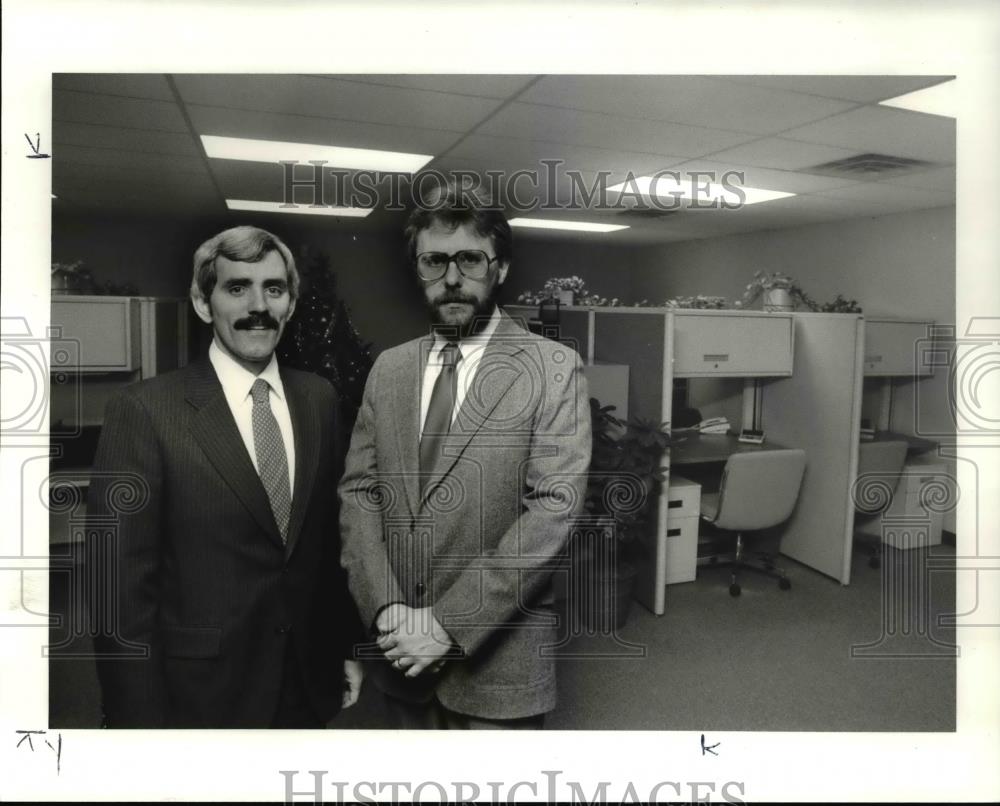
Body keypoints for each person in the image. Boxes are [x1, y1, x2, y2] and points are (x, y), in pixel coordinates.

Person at [87, 225, 363, 728]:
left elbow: (325, 545)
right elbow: (117, 589)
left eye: (273, 289)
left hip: (306, 679)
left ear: (291, 303)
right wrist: (135, 718)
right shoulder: (145, 411)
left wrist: (343, 647)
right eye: (237, 288)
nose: (258, 305)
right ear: (202, 302)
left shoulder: (318, 398)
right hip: (198, 696)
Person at [338, 183, 591, 729]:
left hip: (498, 669)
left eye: (470, 259)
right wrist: (385, 609)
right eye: (434, 261)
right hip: (395, 655)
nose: (451, 278)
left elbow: (553, 509)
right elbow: (359, 493)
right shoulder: (390, 369)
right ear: (418, 269)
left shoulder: (552, 368)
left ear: (498, 268)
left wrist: (447, 625)